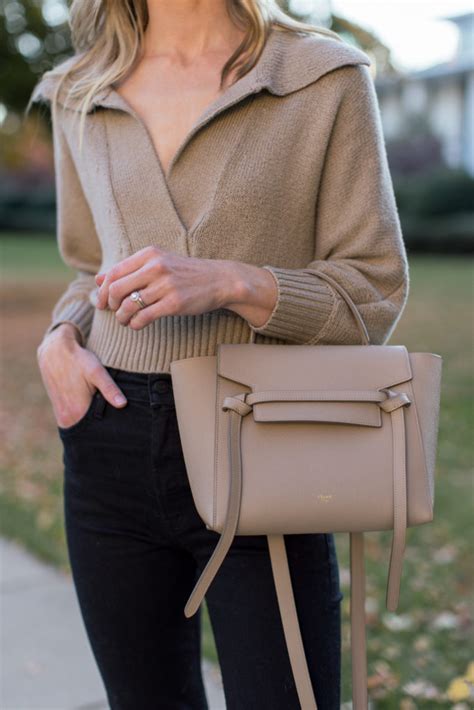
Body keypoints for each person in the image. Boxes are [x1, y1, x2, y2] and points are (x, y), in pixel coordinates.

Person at [28, 1, 409, 708]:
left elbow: (375, 289)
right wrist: (61, 334)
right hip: (107, 437)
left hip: (259, 439)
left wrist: (237, 282)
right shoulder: (79, 89)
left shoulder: (321, 76)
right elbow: (89, 267)